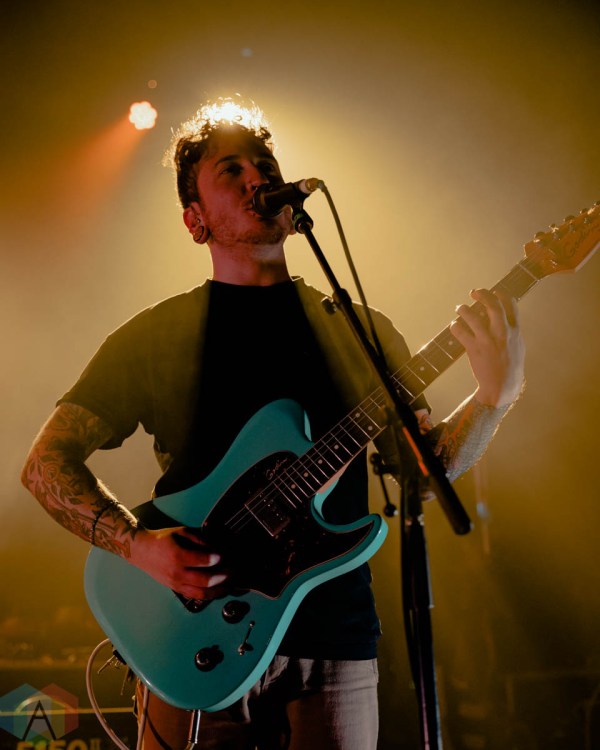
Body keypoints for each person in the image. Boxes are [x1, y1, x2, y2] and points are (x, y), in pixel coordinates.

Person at [21, 100, 525, 750]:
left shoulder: (361, 332)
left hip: (334, 640)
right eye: (231, 169)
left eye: (265, 163)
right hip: (188, 635)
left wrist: (494, 397)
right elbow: (45, 464)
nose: (258, 176)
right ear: (195, 221)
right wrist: (139, 547)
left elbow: (426, 475)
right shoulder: (154, 336)